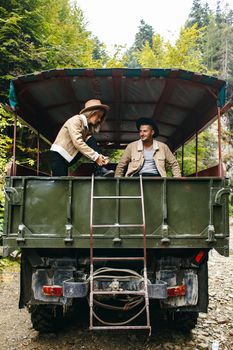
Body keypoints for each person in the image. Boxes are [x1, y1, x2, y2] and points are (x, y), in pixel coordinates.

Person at [50, 99, 114, 176]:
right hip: (59, 155)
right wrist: (96, 157)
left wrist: (100, 157)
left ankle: (99, 169)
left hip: (69, 156)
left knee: (91, 139)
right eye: (99, 116)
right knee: (60, 184)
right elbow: (78, 142)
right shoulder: (75, 120)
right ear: (91, 113)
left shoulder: (86, 128)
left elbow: (90, 144)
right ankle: (99, 167)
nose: (99, 120)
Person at [115, 117, 181, 177]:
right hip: (136, 179)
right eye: (140, 131)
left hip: (157, 179)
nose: (142, 134)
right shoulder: (131, 146)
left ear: (152, 132)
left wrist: (177, 181)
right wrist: (117, 182)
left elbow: (174, 164)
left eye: (145, 131)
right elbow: (121, 165)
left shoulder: (163, 147)